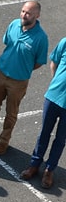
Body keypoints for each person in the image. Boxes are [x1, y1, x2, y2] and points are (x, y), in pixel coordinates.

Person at [0, 0, 48, 155]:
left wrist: (22, 69)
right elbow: (7, 42)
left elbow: (39, 62)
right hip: (0, 73)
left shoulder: (41, 38)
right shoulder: (14, 24)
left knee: (11, 113)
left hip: (18, 81)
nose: (24, 15)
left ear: (37, 15)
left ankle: (3, 141)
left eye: (28, 13)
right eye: (23, 11)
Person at [20, 33, 66, 188]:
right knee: (44, 132)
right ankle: (34, 165)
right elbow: (54, 61)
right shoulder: (65, 42)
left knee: (61, 139)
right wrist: (55, 81)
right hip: (53, 97)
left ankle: (49, 169)